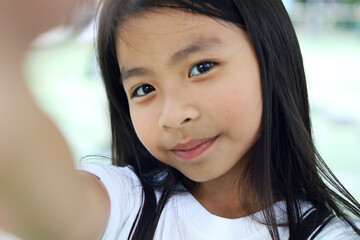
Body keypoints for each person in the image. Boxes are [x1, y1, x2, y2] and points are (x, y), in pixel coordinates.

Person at [1, 0, 360, 239]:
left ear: (271, 55)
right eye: (143, 89)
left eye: (201, 67)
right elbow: (39, 202)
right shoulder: (129, 205)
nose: (172, 116)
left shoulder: (328, 234)